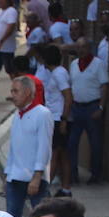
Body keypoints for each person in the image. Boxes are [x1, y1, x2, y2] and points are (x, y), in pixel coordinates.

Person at [3, 75, 53, 217]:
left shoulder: (42, 114)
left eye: (15, 91)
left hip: (34, 178)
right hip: (15, 176)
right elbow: (13, 146)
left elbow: (44, 147)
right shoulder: (17, 114)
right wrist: (7, 173)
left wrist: (37, 176)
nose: (12, 95)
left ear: (27, 92)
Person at [67, 38, 109, 188]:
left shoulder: (98, 64)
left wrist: (101, 108)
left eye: (84, 47)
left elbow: (105, 86)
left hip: (92, 107)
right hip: (77, 108)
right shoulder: (73, 65)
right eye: (78, 47)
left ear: (89, 48)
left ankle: (96, 175)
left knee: (95, 143)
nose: (81, 50)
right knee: (72, 143)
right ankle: (72, 174)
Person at [34, 44, 73, 199]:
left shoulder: (58, 74)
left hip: (58, 119)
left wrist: (64, 120)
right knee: (63, 154)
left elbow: (68, 97)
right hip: (56, 118)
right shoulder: (57, 73)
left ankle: (45, 188)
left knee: (54, 154)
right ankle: (66, 188)